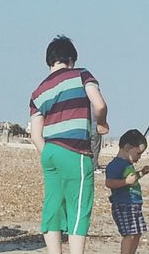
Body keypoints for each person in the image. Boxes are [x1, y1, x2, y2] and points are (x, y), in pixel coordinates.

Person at [30, 35, 109, 254]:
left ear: (49, 61)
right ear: (71, 59)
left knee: (53, 207)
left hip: (50, 153)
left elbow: (36, 136)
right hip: (75, 150)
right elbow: (100, 105)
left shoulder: (38, 92)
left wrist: (50, 153)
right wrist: (101, 124)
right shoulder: (81, 74)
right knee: (79, 206)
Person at [105, 129, 149, 254]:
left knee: (137, 233)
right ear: (127, 148)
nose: (139, 157)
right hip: (123, 204)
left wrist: (142, 172)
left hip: (134, 204)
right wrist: (125, 182)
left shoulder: (127, 164)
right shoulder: (115, 165)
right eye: (138, 153)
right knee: (129, 234)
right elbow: (109, 183)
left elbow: (132, 178)